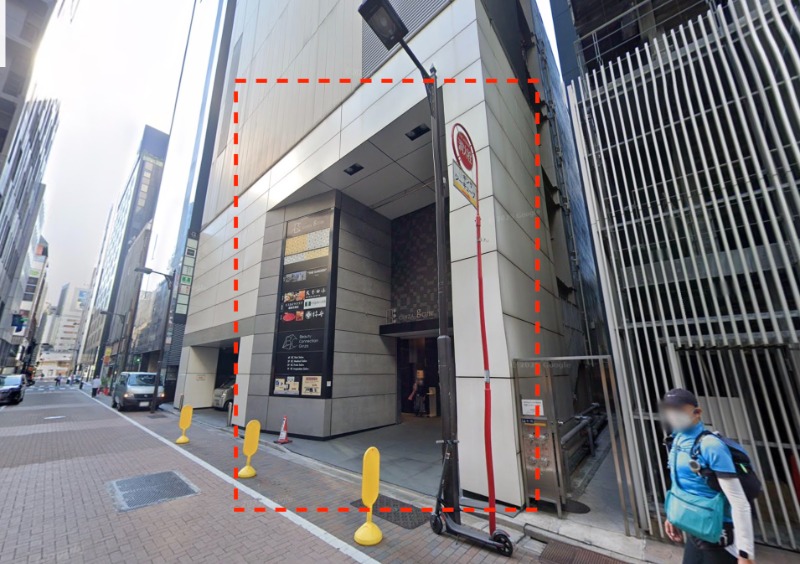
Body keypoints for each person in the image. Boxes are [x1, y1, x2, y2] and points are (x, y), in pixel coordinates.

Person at [661, 388, 754, 564]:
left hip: (718, 532)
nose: (673, 415)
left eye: (679, 410)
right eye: (669, 410)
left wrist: (745, 553)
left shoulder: (711, 446)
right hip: (695, 529)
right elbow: (679, 482)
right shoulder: (677, 439)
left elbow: (739, 502)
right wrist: (671, 515)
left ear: (697, 412)